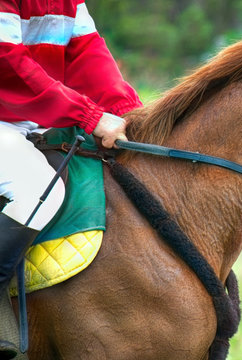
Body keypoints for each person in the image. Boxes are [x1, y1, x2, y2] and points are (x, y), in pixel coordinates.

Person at [0, 0, 143, 357]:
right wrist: (88, 115)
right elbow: (7, 61)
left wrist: (133, 115)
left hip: (34, 120)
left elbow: (88, 53)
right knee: (37, 190)